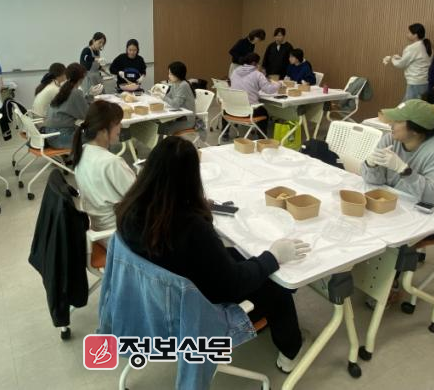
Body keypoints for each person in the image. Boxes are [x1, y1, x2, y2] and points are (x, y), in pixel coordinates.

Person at [116, 137, 310, 373]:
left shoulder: (130, 209)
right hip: (196, 307)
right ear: (191, 177)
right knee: (278, 285)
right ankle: (290, 353)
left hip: (154, 297)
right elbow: (233, 284)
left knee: (237, 254)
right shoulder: (192, 227)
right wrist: (273, 256)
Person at [362, 99, 434, 209]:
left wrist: (404, 170)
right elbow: (374, 182)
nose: (390, 124)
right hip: (398, 203)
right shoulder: (390, 139)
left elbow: (433, 198)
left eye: (398, 121)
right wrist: (371, 165)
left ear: (415, 131)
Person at [72, 100, 135, 234]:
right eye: (117, 123)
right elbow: (139, 199)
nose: (120, 127)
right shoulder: (111, 162)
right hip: (118, 233)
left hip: (98, 229)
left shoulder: (82, 152)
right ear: (102, 130)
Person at [45, 63, 98, 148]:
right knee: (99, 135)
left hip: (50, 134)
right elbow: (87, 115)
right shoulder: (76, 92)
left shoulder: (64, 89)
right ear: (82, 77)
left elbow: (73, 106)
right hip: (59, 136)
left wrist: (89, 96)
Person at [230, 53, 279, 136]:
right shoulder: (257, 74)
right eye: (258, 63)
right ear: (254, 63)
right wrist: (279, 84)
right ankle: (262, 137)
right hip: (248, 111)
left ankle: (225, 133)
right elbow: (269, 90)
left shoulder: (235, 71)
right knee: (264, 112)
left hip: (233, 109)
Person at [382, 23, 432, 101]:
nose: (407, 34)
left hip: (415, 83)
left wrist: (392, 59)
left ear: (415, 35)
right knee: (417, 105)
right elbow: (415, 61)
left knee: (408, 106)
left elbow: (401, 64)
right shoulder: (425, 46)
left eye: (409, 32)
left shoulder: (413, 48)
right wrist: (399, 58)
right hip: (424, 82)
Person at [153, 61, 196, 136]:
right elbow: (169, 97)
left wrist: (162, 96)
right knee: (155, 124)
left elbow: (175, 104)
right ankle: (160, 143)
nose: (169, 76)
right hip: (178, 116)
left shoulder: (183, 85)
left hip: (186, 120)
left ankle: (163, 143)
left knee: (160, 128)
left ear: (178, 74)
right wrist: (160, 93)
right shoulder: (175, 83)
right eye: (169, 73)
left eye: (171, 74)